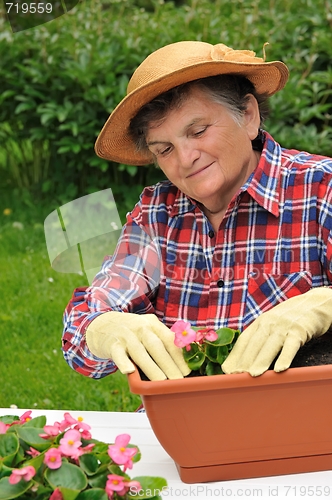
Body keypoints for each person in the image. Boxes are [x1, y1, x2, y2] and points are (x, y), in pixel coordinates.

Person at [62, 40, 332, 382]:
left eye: (198, 131)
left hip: (302, 421)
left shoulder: (322, 189)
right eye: (164, 149)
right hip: (179, 425)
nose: (185, 158)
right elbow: (85, 338)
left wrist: (325, 302)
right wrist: (102, 327)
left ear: (248, 116)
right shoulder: (157, 213)